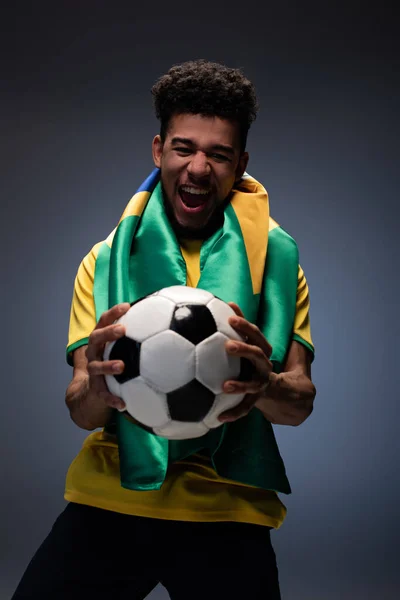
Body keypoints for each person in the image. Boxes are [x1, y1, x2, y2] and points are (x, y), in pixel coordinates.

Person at [12, 59, 316, 600]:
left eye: (218, 154)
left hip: (227, 507)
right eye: (184, 148)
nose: (199, 168)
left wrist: (264, 383)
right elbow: (81, 410)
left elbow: (299, 404)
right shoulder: (105, 262)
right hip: (112, 496)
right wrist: (100, 385)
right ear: (159, 151)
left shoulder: (277, 266)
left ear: (240, 163)